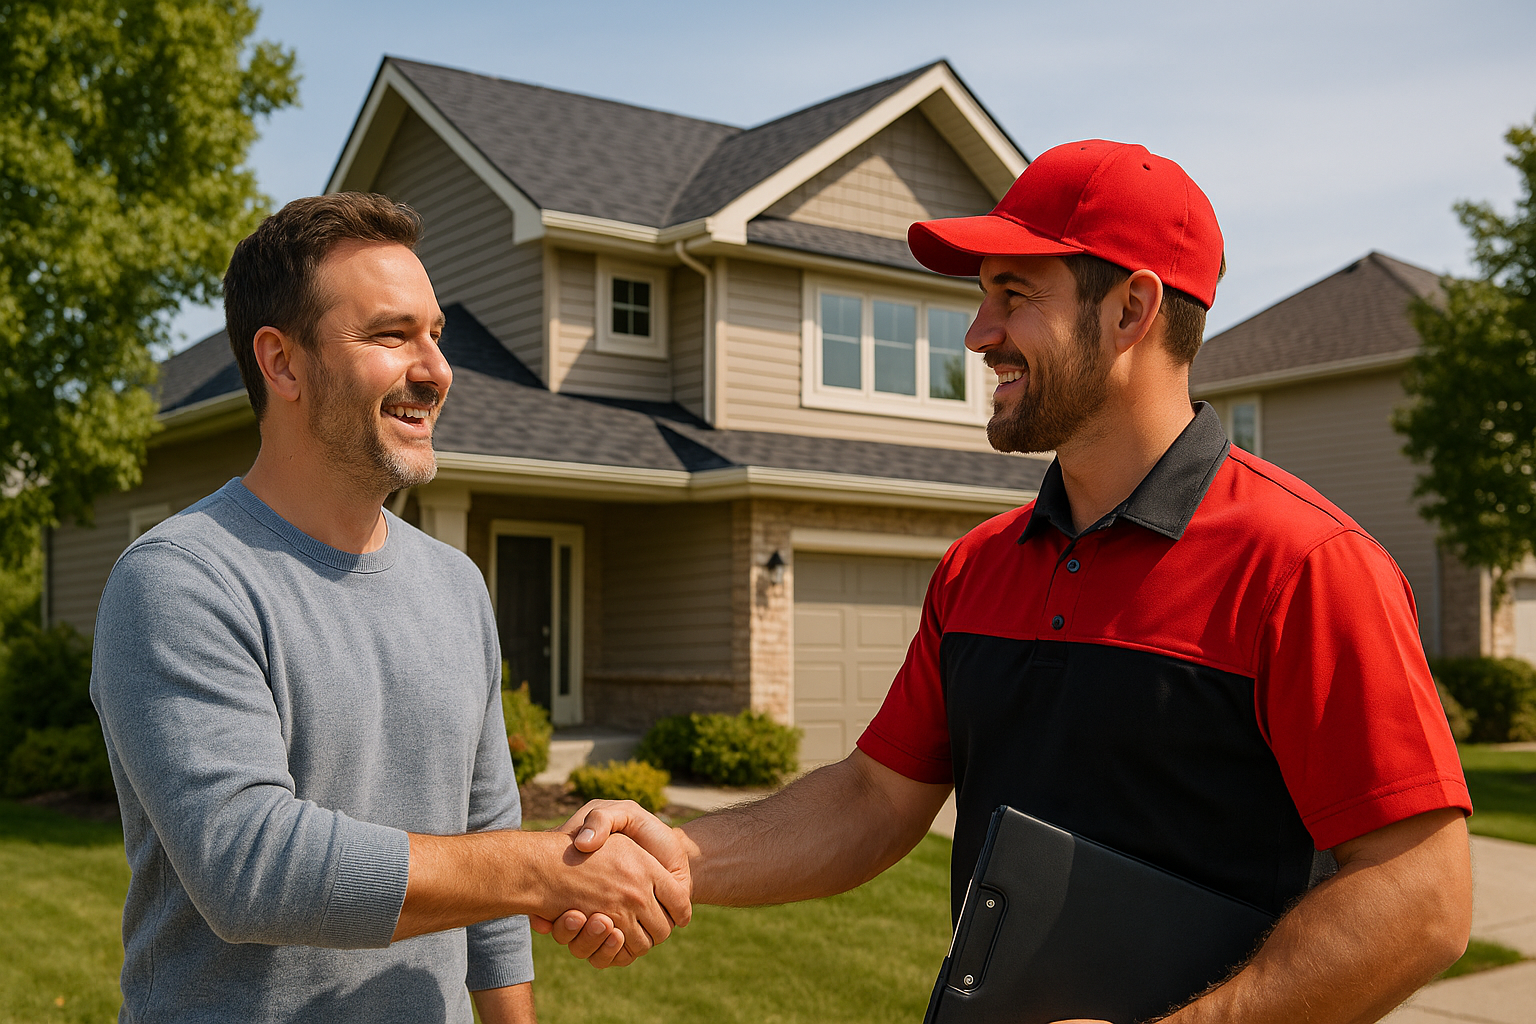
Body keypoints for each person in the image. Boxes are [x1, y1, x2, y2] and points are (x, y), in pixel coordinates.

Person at [541, 141, 1475, 1023]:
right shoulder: (979, 567)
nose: (980, 333)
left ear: (1131, 311)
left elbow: (1421, 897)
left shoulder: (1305, 567)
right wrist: (682, 852)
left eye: (1015, 295)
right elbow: (874, 801)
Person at [90, 193, 689, 1024]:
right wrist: (546, 868)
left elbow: (488, 841)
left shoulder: (457, 586)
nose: (436, 369)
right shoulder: (182, 580)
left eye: (435, 335)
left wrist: (527, 892)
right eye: (390, 334)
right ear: (283, 363)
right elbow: (248, 865)